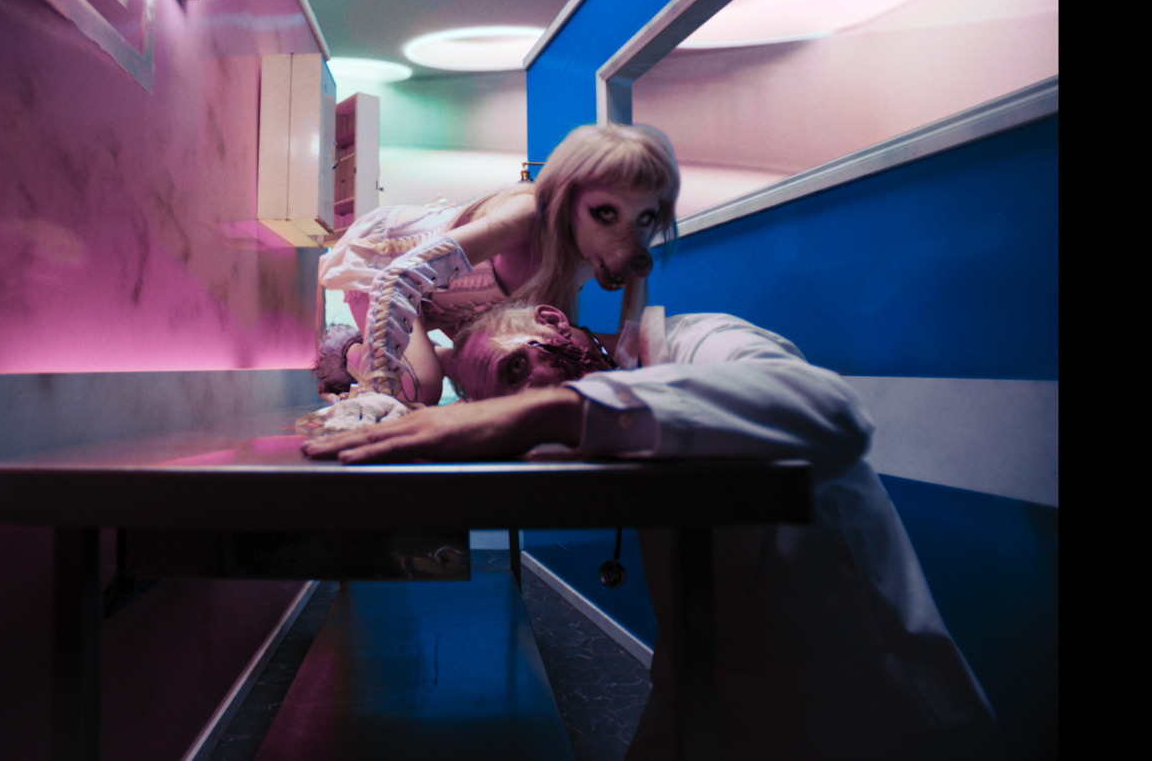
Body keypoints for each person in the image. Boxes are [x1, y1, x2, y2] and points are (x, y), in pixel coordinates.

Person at [303, 300, 1005, 761]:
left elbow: (834, 410)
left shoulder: (700, 341)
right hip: (715, 696)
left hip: (880, 714)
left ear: (556, 323)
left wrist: (544, 416)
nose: (527, 396)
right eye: (505, 397)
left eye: (522, 366)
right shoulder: (599, 421)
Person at [316, 123, 679, 405]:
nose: (630, 242)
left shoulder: (585, 255)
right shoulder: (525, 214)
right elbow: (399, 277)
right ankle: (345, 349)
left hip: (460, 303)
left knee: (494, 378)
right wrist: (381, 390)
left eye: (645, 218)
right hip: (386, 267)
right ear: (568, 198)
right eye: (605, 213)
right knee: (419, 391)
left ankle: (426, 359)